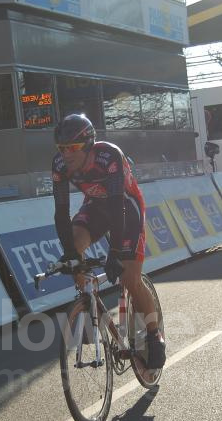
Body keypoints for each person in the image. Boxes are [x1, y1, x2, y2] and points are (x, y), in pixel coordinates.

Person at [52, 114, 165, 368]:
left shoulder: (109, 156)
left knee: (130, 278)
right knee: (74, 247)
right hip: (95, 206)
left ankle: (153, 334)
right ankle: (88, 305)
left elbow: (116, 206)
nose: (66, 154)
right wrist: (70, 253)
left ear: (87, 144)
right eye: (61, 148)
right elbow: (60, 211)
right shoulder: (59, 164)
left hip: (125, 207)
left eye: (72, 147)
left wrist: (115, 252)